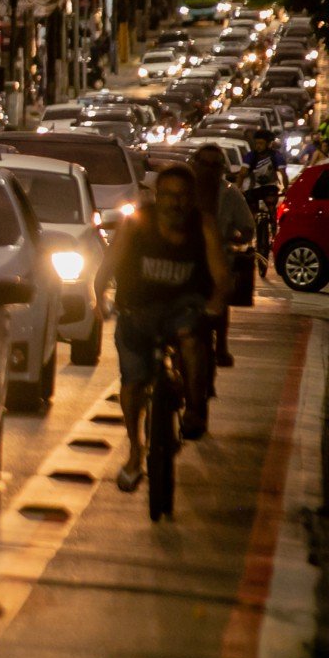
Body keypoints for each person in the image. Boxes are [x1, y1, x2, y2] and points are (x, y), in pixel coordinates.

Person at [95, 164, 229, 489]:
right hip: (137, 310)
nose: (175, 203)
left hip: (184, 307)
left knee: (192, 341)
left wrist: (215, 303)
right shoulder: (136, 223)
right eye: (168, 195)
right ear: (157, 197)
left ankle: (195, 408)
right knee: (133, 383)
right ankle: (135, 448)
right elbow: (109, 263)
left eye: (182, 196)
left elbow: (221, 274)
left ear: (192, 199)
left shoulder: (203, 225)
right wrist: (99, 297)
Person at [191, 145, 254, 368]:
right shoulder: (183, 191)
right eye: (204, 164)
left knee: (220, 300)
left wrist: (234, 240)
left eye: (214, 165)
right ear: (194, 165)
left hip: (217, 262)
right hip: (184, 262)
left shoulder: (229, 194)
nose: (208, 170)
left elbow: (247, 228)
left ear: (222, 169)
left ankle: (221, 346)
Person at [244, 129, 288, 272]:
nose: (258, 146)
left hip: (270, 188)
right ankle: (251, 236)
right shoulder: (251, 156)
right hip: (254, 189)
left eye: (261, 143)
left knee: (271, 207)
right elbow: (242, 174)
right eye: (256, 143)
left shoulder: (276, 156)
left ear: (269, 144)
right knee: (251, 213)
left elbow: (282, 173)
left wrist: (286, 188)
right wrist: (238, 188)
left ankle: (274, 231)